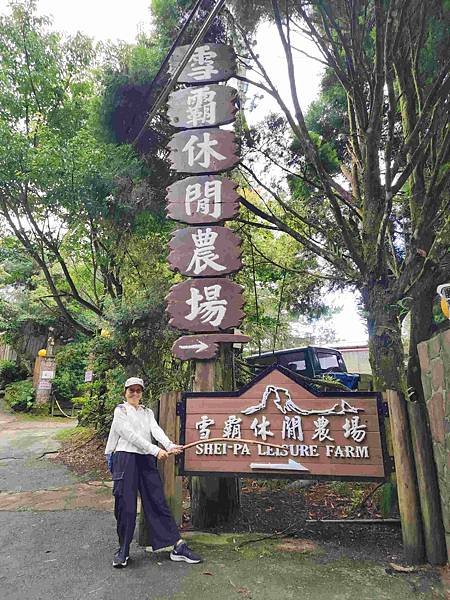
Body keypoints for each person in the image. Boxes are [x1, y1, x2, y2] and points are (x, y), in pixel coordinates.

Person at [105, 376, 202, 568]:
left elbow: (155, 429)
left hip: (145, 459)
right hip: (125, 458)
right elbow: (128, 435)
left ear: (142, 393)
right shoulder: (120, 410)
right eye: (131, 390)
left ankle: (177, 545)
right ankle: (123, 550)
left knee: (157, 500)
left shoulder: (147, 412)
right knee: (126, 506)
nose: (134, 393)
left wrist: (169, 445)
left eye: (138, 390)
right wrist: (156, 450)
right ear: (124, 392)